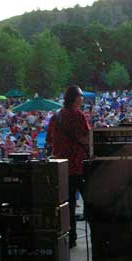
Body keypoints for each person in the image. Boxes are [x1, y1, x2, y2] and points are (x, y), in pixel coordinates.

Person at [47, 85, 90, 249]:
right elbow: (85, 138)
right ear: (75, 98)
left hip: (61, 167)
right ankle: (98, 235)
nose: (83, 99)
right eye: (81, 96)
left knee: (67, 204)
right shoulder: (78, 116)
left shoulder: (55, 117)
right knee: (90, 201)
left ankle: (70, 238)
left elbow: (50, 140)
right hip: (78, 165)